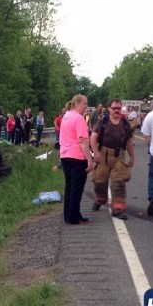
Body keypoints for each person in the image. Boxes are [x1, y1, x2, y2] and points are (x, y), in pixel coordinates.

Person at [90, 98, 134, 220]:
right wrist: (96, 153)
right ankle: (100, 199)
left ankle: (118, 210)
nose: (116, 110)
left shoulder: (125, 123)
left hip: (119, 155)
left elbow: (130, 141)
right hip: (103, 155)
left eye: (118, 108)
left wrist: (132, 157)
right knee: (99, 182)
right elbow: (93, 137)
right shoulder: (102, 121)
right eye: (114, 108)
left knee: (119, 183)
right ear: (109, 108)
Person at [59, 94, 95, 225]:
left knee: (69, 186)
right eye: (84, 103)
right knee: (77, 187)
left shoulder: (66, 116)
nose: (86, 106)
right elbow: (83, 141)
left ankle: (69, 214)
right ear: (77, 103)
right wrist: (90, 159)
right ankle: (73, 216)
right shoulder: (79, 119)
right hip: (77, 156)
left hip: (65, 155)